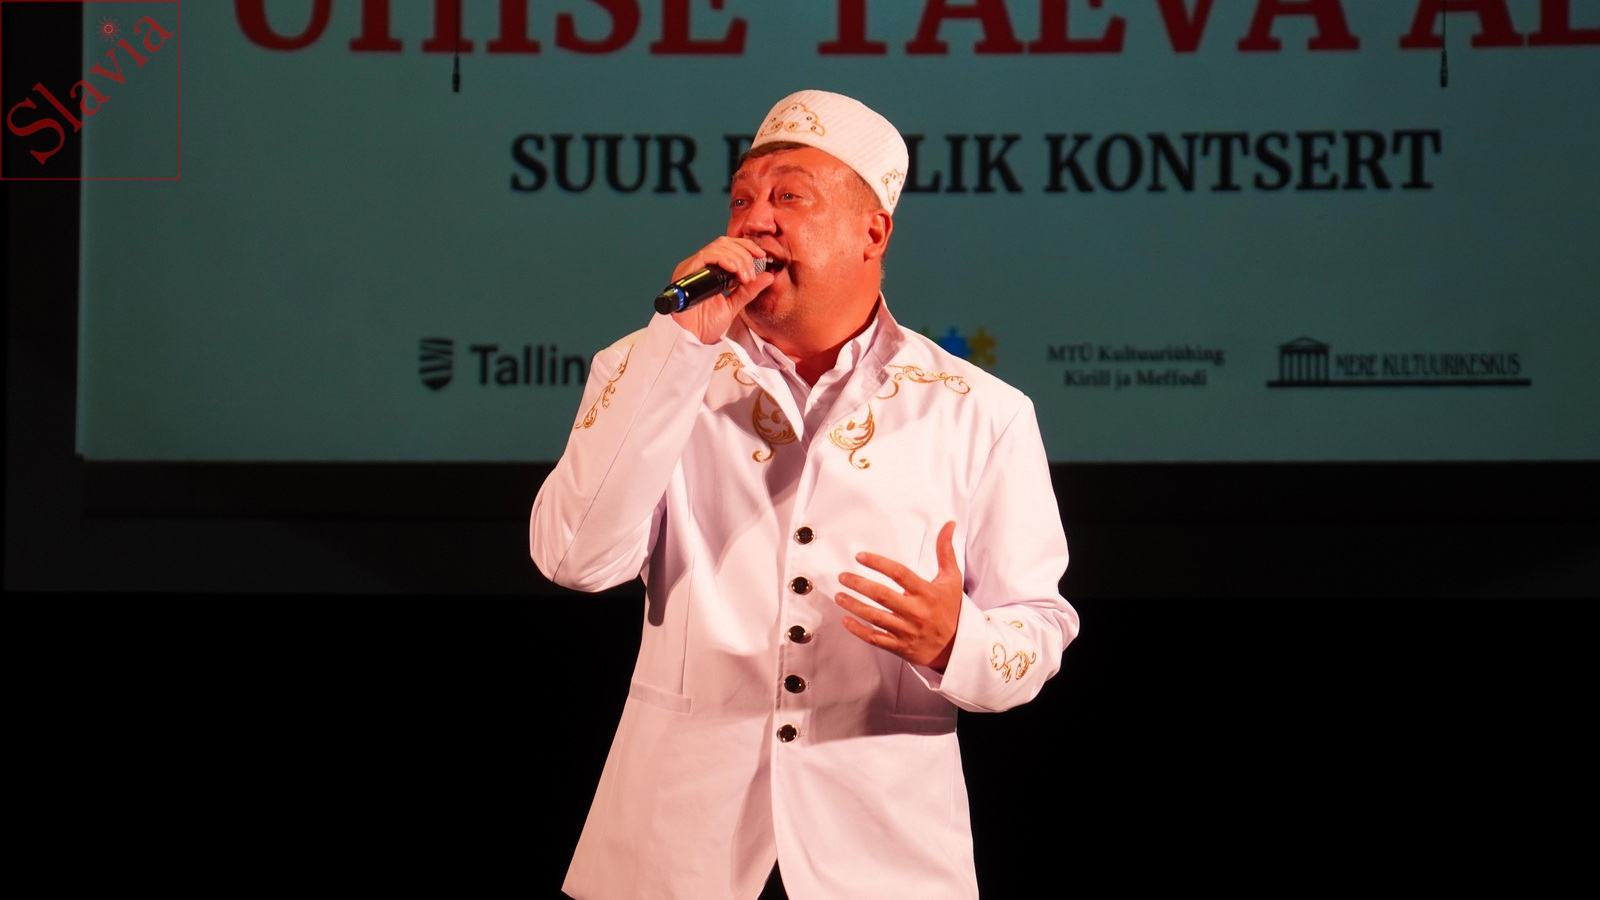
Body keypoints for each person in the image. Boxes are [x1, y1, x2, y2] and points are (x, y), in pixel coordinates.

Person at [530, 89, 1078, 900]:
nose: (755, 221)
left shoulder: (980, 413)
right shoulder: (648, 368)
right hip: (671, 853)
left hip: (885, 857)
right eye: (742, 200)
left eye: (790, 197)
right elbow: (574, 559)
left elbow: (1038, 627)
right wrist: (676, 352)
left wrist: (953, 642)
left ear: (873, 232)